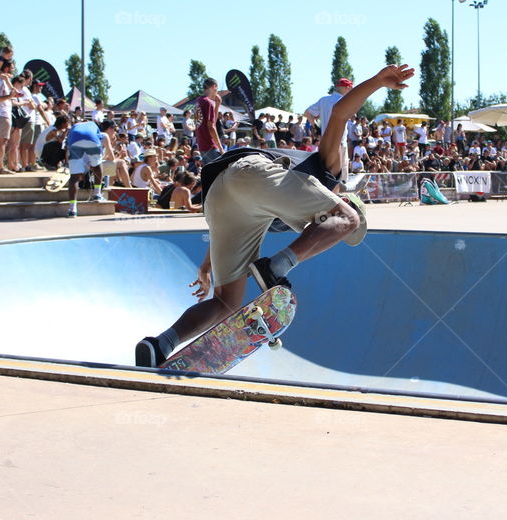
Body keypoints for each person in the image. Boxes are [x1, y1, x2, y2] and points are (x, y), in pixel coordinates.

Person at [134, 64, 413, 367]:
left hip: (223, 197)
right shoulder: (329, 170)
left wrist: (206, 266)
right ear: (343, 197)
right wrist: (376, 82)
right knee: (349, 219)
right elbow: (340, 115)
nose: (332, 231)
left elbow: (234, 220)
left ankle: (160, 344)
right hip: (251, 171)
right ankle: (275, 267)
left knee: (227, 301)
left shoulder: (296, 205)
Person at [304, 77, 354, 188]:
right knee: (341, 178)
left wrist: (316, 126)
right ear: (347, 88)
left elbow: (307, 113)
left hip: (325, 142)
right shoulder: (345, 101)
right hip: (340, 142)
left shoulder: (324, 100)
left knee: (326, 174)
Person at [64, 119, 113, 217]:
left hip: (74, 142)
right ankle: (97, 194)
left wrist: (68, 163)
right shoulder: (93, 125)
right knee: (97, 166)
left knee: (74, 177)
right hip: (92, 140)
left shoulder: (75, 126)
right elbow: (100, 139)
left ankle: (72, 209)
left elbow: (67, 146)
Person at [0, 60, 18, 173]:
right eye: (11, 68)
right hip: (0, 114)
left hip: (3, 114)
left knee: (2, 140)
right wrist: (8, 96)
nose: (13, 71)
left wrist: (8, 82)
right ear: (6, 69)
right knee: (1, 141)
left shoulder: (3, 81)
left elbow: (13, 93)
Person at [196, 78, 225, 164]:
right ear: (214, 87)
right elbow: (211, 127)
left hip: (202, 145)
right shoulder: (208, 103)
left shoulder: (199, 101)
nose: (217, 92)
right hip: (210, 145)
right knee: (220, 172)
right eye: (217, 89)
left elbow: (213, 122)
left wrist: (217, 105)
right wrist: (220, 147)